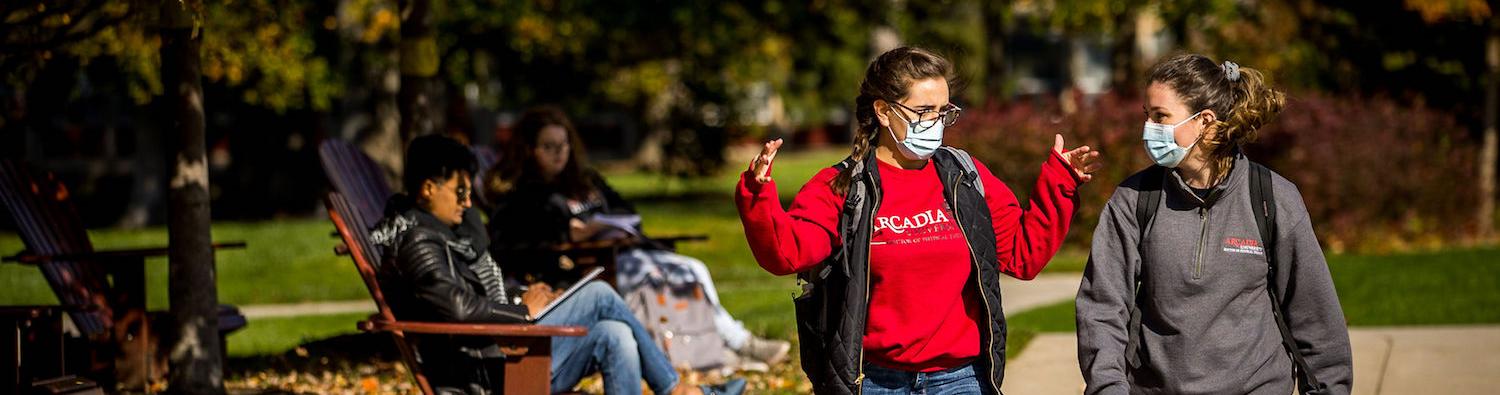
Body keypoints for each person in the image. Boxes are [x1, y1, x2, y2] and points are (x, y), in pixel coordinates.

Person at [736, 46, 1102, 394]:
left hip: (962, 379)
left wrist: (1059, 184)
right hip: (874, 380)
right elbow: (788, 254)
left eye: (944, 111)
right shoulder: (843, 186)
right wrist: (758, 195)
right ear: (883, 111)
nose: (937, 122)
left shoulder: (965, 176)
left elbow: (1023, 257)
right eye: (924, 110)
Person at [371, 134, 742, 395]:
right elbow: (456, 307)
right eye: (461, 191)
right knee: (598, 293)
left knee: (617, 336)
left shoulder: (444, 233)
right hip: (489, 370)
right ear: (427, 189)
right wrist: (520, 312)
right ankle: (675, 389)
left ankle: (675, 389)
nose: (468, 202)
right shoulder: (420, 241)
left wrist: (524, 297)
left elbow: (471, 293)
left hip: (504, 352)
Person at [1075, 54, 1353, 394]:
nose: (1149, 129)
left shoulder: (1272, 199)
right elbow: (1102, 308)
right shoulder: (1134, 199)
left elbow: (1315, 316)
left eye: (1161, 117)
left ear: (1204, 121)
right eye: (1147, 116)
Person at [484, 106, 792, 369]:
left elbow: (626, 210)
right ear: (529, 150)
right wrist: (573, 232)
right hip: (587, 267)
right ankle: (727, 347)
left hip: (626, 249)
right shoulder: (523, 196)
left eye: (563, 145)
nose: (558, 153)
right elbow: (523, 240)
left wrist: (608, 224)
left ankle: (735, 341)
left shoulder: (585, 181)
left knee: (693, 268)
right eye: (548, 147)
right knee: (656, 278)